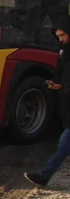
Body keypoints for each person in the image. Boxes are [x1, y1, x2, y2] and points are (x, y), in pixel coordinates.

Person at [24, 18, 70, 187]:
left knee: (65, 142)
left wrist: (62, 85)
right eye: (58, 36)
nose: (61, 39)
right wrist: (57, 84)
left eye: (63, 35)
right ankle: (44, 175)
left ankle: (45, 175)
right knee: (65, 142)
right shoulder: (64, 51)